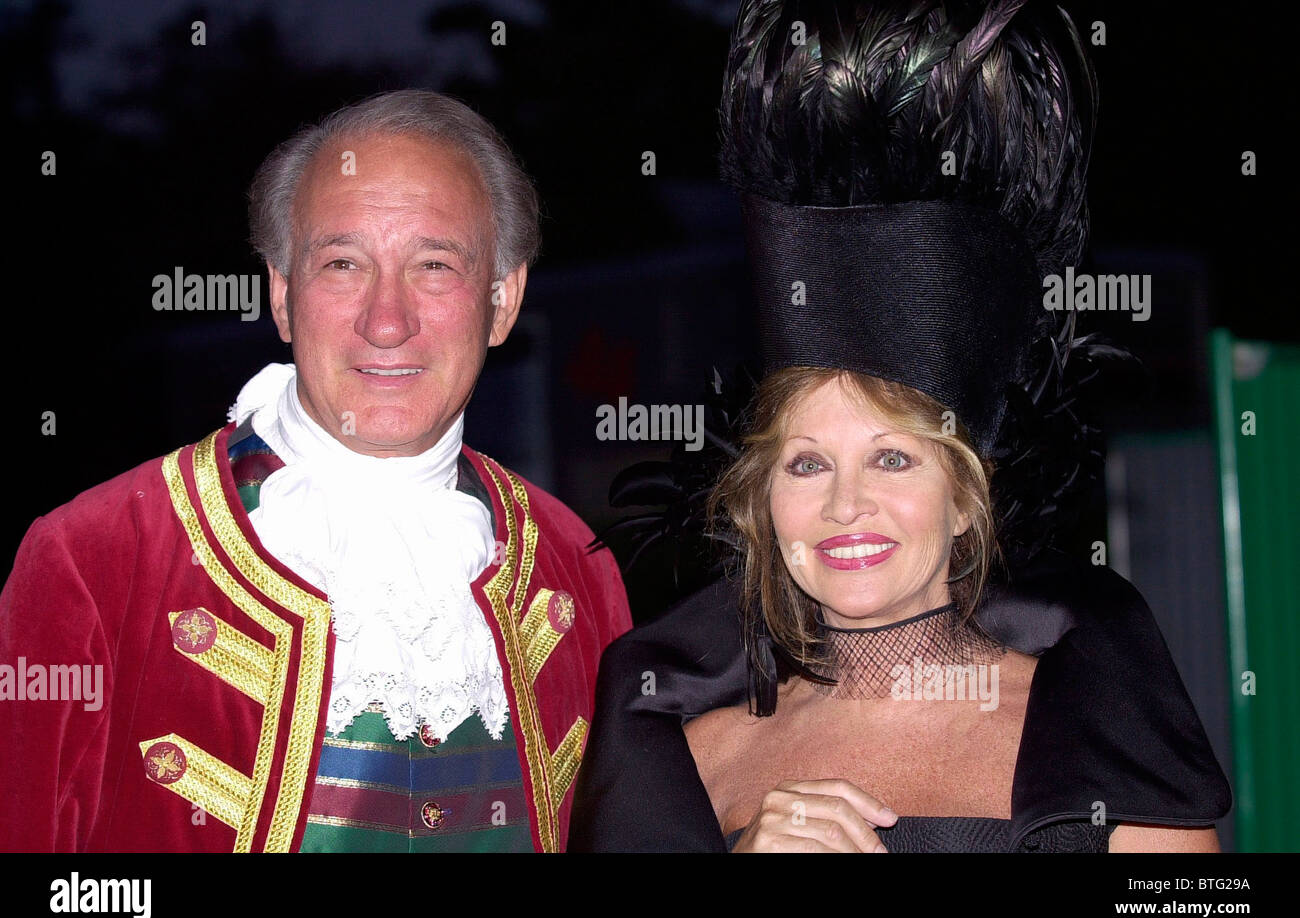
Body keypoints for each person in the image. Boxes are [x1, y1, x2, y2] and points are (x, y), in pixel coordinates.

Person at [570, 0, 1230, 852]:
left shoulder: (1096, 729)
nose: (846, 506)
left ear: (966, 498)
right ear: (758, 500)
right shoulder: (692, 759)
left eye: (891, 458)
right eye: (806, 465)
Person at [0, 89, 632, 853]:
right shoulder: (93, 559)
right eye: (342, 263)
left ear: (503, 301)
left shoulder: (575, 565)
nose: (387, 321)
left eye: (434, 265)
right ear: (283, 295)